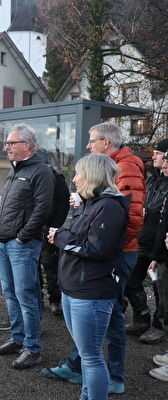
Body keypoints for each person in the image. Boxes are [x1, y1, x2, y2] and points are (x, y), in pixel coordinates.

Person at [42, 122, 145, 394]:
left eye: (92, 141)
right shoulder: (97, 200)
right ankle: (85, 373)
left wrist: (109, 244)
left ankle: (112, 378)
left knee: (107, 326)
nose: (88, 145)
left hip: (103, 272)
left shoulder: (124, 176)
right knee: (91, 342)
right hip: (87, 276)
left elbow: (127, 221)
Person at [48, 153, 130, 400]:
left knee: (92, 357)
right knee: (87, 355)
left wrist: (61, 237)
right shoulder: (92, 204)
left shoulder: (110, 206)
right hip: (75, 290)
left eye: (78, 174)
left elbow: (96, 249)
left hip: (91, 293)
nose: (74, 179)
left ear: (92, 176)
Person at [0, 123, 54, 369]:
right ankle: (17, 339)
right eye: (6, 143)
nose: (6, 147)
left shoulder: (41, 171)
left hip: (21, 245)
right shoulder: (15, 170)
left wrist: (23, 236)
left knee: (26, 297)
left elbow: (43, 209)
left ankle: (33, 348)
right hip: (5, 243)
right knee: (10, 295)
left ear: (26, 145)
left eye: (11, 143)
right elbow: (18, 206)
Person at [125, 139, 168, 344]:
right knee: (131, 280)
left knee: (161, 289)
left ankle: (159, 327)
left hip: (161, 244)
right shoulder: (151, 178)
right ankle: (141, 319)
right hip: (144, 239)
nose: (154, 157)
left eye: (159, 153)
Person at [36, 148, 70, 316]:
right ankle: (37, 299)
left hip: (49, 229)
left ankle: (55, 300)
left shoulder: (57, 178)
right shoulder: (31, 176)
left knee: (51, 266)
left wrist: (55, 226)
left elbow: (64, 204)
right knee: (33, 266)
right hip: (32, 229)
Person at [147, 152, 168, 381]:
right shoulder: (160, 183)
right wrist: (157, 256)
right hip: (163, 257)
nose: (163, 163)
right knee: (165, 307)